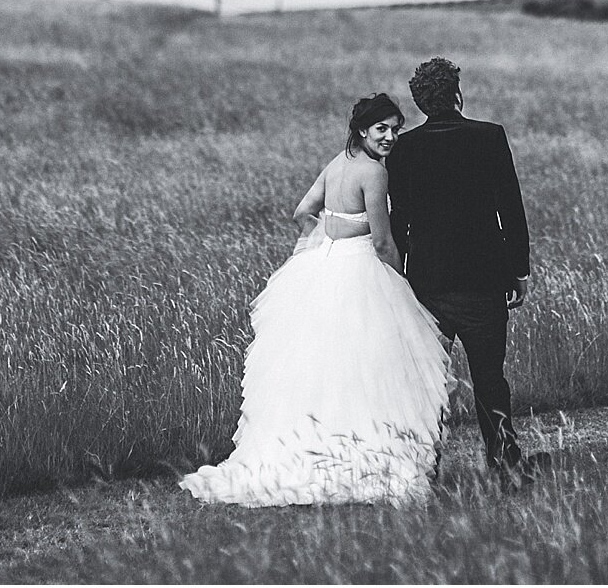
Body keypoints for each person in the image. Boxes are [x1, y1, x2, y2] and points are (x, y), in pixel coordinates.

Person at [180, 94, 453, 506]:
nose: (391, 137)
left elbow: (301, 211)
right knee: (369, 368)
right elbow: (382, 241)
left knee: (321, 365)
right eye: (382, 129)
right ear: (363, 130)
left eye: (396, 129)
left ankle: (310, 451)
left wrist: (323, 238)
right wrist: (403, 285)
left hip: (323, 270)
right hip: (362, 272)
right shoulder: (373, 174)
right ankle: (363, 456)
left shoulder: (336, 164)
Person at [388, 56, 535, 483]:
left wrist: (399, 278)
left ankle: (424, 468)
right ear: (457, 94)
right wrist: (519, 270)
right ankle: (505, 463)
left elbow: (400, 223)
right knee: (490, 377)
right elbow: (511, 207)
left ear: (420, 102)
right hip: (485, 280)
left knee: (430, 381)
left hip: (428, 284)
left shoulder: (405, 149)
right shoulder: (490, 137)